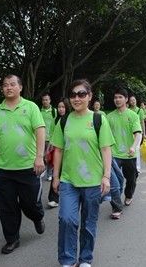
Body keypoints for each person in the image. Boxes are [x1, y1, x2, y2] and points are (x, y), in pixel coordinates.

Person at [51, 79, 113, 267]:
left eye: (81, 94)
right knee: (67, 219)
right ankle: (68, 260)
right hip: (69, 180)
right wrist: (55, 177)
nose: (76, 98)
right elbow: (58, 150)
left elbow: (106, 149)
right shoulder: (63, 120)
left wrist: (106, 176)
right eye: (73, 95)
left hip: (93, 181)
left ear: (89, 96)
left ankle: (85, 259)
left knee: (88, 223)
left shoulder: (98, 119)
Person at [0, 75, 46, 255]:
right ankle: (12, 239)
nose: (8, 87)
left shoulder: (31, 107)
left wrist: (39, 157)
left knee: (30, 204)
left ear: (20, 87)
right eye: (5, 85)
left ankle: (37, 217)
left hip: (28, 167)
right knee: (6, 207)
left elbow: (40, 131)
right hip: (4, 169)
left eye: (12, 84)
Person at [107, 88, 142, 212]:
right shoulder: (109, 117)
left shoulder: (133, 115)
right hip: (114, 154)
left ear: (126, 99)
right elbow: (105, 136)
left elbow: (138, 134)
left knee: (131, 179)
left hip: (129, 155)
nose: (117, 99)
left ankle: (129, 195)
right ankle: (116, 207)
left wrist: (133, 146)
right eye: (115, 97)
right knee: (114, 182)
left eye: (120, 97)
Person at [47, 98, 70, 208]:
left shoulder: (71, 119)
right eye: (59, 107)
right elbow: (51, 135)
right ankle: (53, 198)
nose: (61, 109)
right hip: (58, 151)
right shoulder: (55, 120)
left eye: (63, 107)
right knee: (56, 173)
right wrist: (49, 149)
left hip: (70, 152)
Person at [40, 93, 57, 181]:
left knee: (50, 158)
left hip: (51, 139)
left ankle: (49, 173)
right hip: (41, 139)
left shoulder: (54, 111)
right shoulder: (39, 111)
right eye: (43, 100)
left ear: (50, 100)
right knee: (41, 156)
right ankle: (42, 170)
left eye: (47, 99)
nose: (45, 101)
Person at [128, 95, 145, 173]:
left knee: (137, 149)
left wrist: (144, 133)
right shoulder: (127, 111)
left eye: (134, 100)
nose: (133, 101)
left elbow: (142, 122)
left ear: (136, 101)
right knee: (130, 149)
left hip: (138, 133)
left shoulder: (140, 110)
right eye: (131, 100)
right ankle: (130, 166)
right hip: (129, 132)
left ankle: (137, 168)